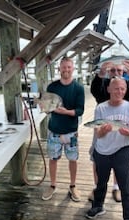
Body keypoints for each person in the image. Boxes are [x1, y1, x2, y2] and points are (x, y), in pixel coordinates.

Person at [85, 76, 129, 220]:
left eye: (123, 89)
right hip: (102, 151)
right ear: (108, 89)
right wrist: (104, 130)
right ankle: (98, 206)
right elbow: (98, 134)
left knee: (125, 186)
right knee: (101, 182)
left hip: (122, 150)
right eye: (116, 88)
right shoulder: (101, 108)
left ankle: (128, 219)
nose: (119, 91)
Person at [89, 59, 129, 202]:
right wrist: (100, 75)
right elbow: (93, 89)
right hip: (101, 125)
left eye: (119, 70)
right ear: (108, 72)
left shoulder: (126, 84)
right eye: (112, 70)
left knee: (120, 160)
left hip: (120, 128)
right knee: (96, 156)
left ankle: (116, 188)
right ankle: (97, 187)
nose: (116, 73)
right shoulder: (104, 84)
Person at [41, 56, 85, 202]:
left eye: (68, 67)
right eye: (63, 67)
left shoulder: (78, 88)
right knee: (53, 159)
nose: (66, 70)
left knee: (73, 159)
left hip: (71, 132)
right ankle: (52, 185)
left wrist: (66, 112)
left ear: (73, 69)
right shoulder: (52, 87)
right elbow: (47, 108)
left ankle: (73, 186)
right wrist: (45, 108)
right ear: (59, 68)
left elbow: (80, 110)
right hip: (54, 130)